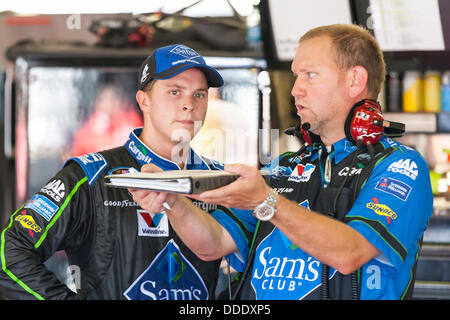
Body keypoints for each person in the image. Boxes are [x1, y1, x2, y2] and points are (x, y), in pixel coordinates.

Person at [130, 24, 434, 300]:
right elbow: (213, 244)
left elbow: (349, 253)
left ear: (355, 80)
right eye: (296, 75)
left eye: (309, 75)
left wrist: (266, 201)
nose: (295, 89)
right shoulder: (284, 166)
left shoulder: (399, 165)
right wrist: (172, 201)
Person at [0, 44, 227, 300]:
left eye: (199, 95)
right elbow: (10, 252)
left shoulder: (221, 181)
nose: (189, 105)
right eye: (175, 92)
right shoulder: (90, 175)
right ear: (144, 101)